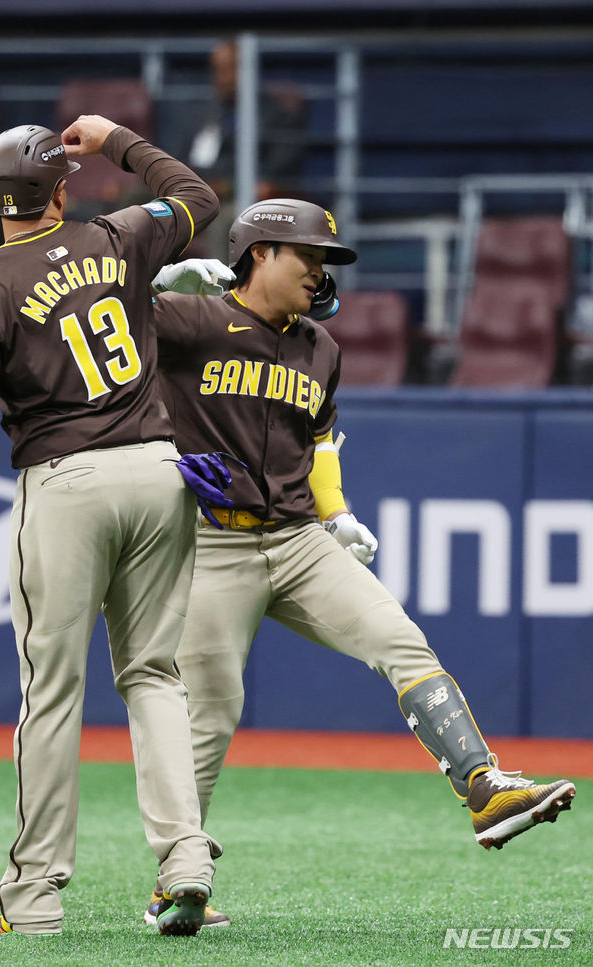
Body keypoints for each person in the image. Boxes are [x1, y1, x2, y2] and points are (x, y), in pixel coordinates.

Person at [141, 198, 577, 925]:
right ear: (257, 256)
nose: (319, 270)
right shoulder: (190, 320)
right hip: (212, 543)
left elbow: (319, 446)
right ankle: (174, 884)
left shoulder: (321, 348)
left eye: (325, 259)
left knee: (400, 638)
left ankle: (484, 787)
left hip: (298, 538)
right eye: (306, 255)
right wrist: (148, 281)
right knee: (211, 712)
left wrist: (336, 511)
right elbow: (75, 312)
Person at [0, 114, 225, 937]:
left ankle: (36, 895)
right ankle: (185, 857)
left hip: (65, 483)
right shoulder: (118, 235)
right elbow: (196, 197)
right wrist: (116, 137)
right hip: (157, 470)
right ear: (60, 190)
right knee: (154, 676)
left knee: (52, 693)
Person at [184, 39, 307, 261]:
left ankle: (223, 294)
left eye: (228, 68)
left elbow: (277, 171)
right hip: (201, 195)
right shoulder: (211, 115)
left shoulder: (277, 116)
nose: (220, 78)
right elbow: (189, 159)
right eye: (216, 70)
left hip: (246, 199)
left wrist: (229, 186)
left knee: (225, 221)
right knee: (144, 206)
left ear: (247, 68)